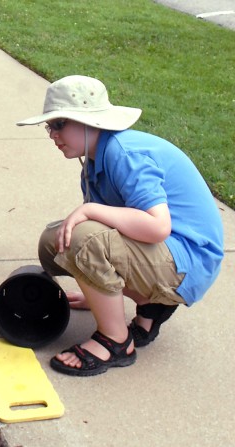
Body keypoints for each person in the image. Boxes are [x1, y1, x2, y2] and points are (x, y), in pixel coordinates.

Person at [16, 75, 224, 377]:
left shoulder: (123, 153)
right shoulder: (94, 163)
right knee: (55, 242)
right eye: (50, 126)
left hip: (188, 261)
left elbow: (157, 227)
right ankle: (150, 311)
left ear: (91, 122)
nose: (52, 134)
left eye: (60, 124)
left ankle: (115, 342)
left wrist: (89, 209)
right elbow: (114, 233)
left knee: (82, 238)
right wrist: (96, 292)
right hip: (169, 256)